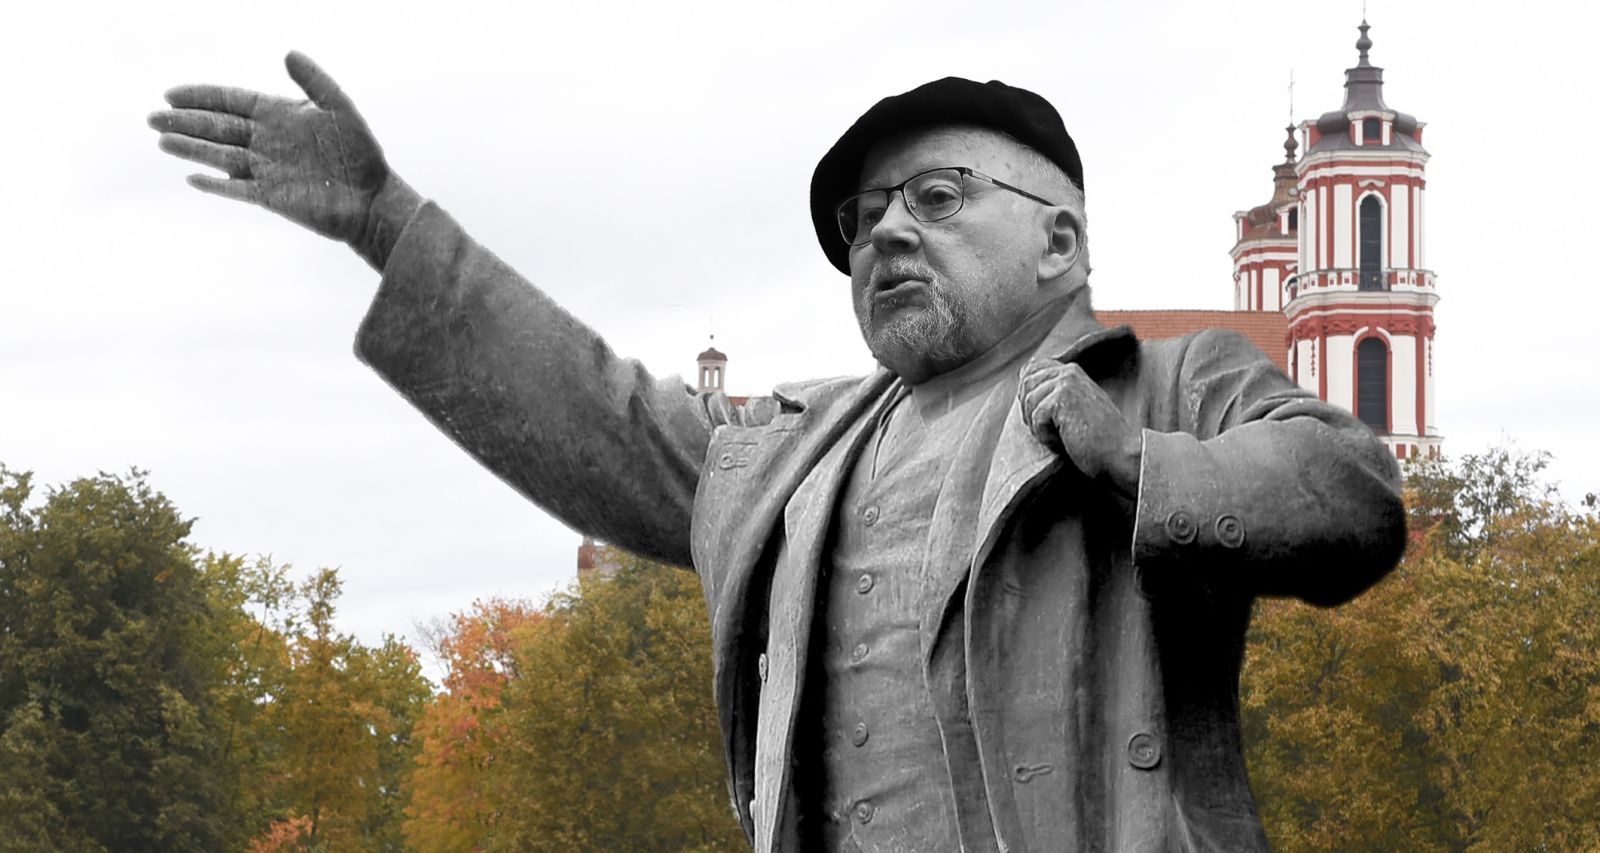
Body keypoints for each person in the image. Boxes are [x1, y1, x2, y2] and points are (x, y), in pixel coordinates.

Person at [150, 54, 1405, 852]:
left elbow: (1351, 495)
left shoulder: (1170, 381)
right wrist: (387, 223)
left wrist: (1137, 462)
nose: (884, 234)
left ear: (1058, 244)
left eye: (937, 197)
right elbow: (596, 411)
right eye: (863, 219)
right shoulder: (795, 452)